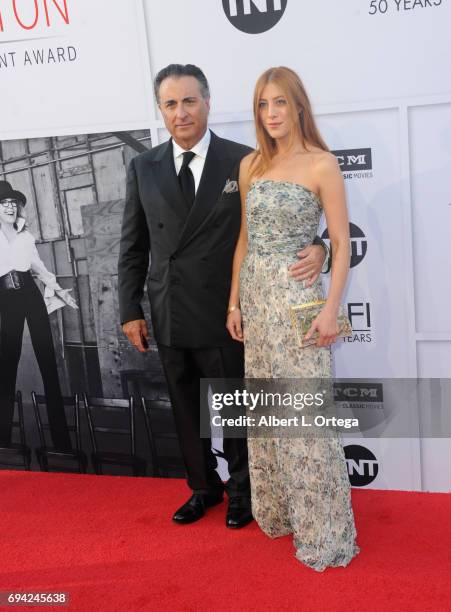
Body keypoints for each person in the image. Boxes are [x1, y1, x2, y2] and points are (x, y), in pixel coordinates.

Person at [118, 64, 327, 528]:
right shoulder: (143, 166)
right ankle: (203, 488)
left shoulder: (246, 159)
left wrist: (323, 246)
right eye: (171, 104)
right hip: (169, 308)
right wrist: (129, 310)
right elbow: (132, 245)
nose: (181, 113)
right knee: (187, 409)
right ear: (161, 110)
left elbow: (285, 217)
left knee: (233, 405)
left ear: (207, 103)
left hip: (228, 309)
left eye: (189, 101)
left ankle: (242, 491)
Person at [226, 67, 359, 570]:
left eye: (280, 102)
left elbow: (342, 243)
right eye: (263, 104)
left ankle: (324, 530)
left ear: (299, 106)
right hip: (258, 305)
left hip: (300, 304)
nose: (272, 114)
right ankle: (280, 512)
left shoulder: (322, 164)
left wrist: (331, 310)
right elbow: (244, 239)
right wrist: (234, 302)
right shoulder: (251, 165)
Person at [0, 180, 78, 452]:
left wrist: (60, 292)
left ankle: (61, 440)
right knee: (7, 364)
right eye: (4, 203)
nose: (10, 207)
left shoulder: (26, 236)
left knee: (48, 359)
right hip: (6, 297)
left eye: (13, 203)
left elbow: (41, 269)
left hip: (31, 294)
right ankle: (3, 439)